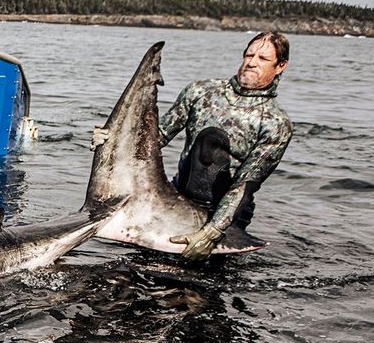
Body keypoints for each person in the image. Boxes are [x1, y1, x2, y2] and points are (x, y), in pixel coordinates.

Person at [94, 32, 293, 261]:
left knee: (199, 280)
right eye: (249, 55)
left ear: (281, 66)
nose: (252, 62)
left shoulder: (276, 123)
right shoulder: (201, 91)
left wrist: (213, 232)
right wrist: (112, 142)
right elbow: (156, 139)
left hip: (226, 215)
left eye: (263, 58)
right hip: (175, 199)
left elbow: (245, 185)